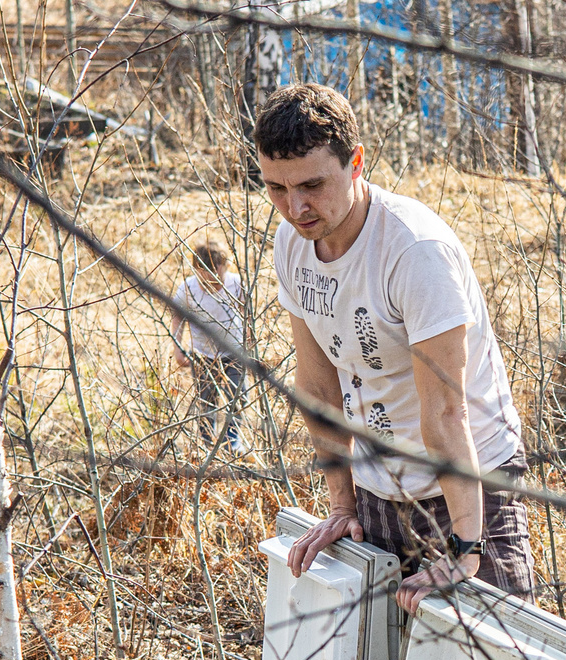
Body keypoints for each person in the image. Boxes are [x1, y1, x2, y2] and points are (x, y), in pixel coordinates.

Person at [260, 83, 535, 613]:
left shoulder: (414, 251)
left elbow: (446, 410)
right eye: (276, 187)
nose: (295, 206)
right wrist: (343, 503)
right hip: (378, 490)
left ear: (356, 162)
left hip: (471, 490)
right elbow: (318, 386)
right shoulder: (292, 241)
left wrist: (467, 548)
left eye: (312, 185)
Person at [171, 239, 249, 453]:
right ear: (197, 271)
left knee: (238, 397)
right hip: (203, 355)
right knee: (207, 403)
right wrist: (178, 349)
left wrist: (249, 343)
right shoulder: (188, 289)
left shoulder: (237, 283)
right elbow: (177, 318)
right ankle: (207, 447)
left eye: (217, 279)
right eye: (207, 281)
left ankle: (232, 444)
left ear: (226, 267)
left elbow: (247, 315)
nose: (213, 286)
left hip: (234, 353)